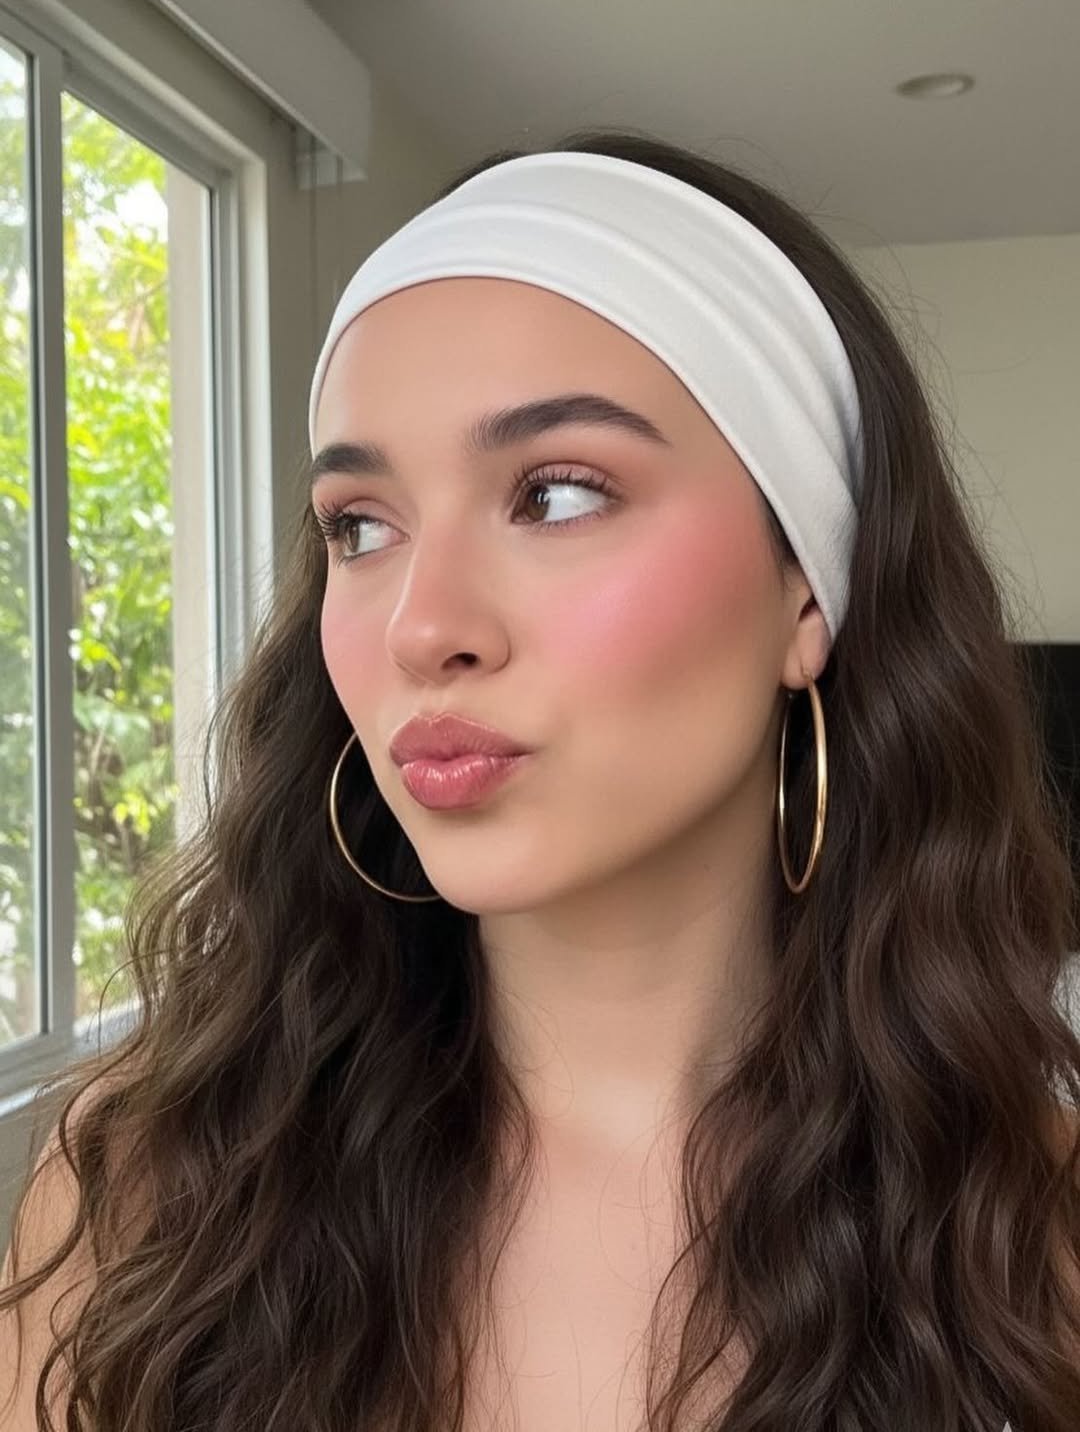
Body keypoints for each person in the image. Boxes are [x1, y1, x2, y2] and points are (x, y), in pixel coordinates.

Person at [2, 128, 1079, 1432]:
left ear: (808, 589)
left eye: (558, 495)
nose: (420, 623)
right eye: (361, 524)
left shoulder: (1033, 1236)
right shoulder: (145, 1191)